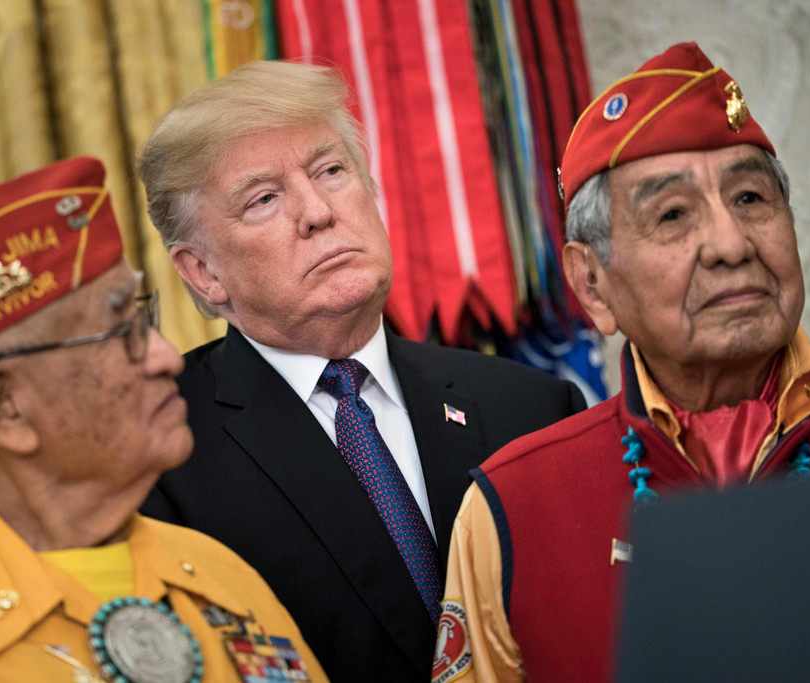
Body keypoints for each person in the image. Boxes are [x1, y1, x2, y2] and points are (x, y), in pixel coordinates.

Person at [134, 60, 586, 682]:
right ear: (204, 272)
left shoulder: (532, 406)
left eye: (330, 171)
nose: (318, 211)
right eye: (264, 199)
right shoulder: (156, 455)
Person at [0, 157, 327, 682]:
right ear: (7, 408)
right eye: (121, 334)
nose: (168, 358)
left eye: (143, 320)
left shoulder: (223, 578)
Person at [434, 42, 810, 683]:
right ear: (592, 285)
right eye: (673, 214)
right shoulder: (514, 505)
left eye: (751, 199)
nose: (731, 244)